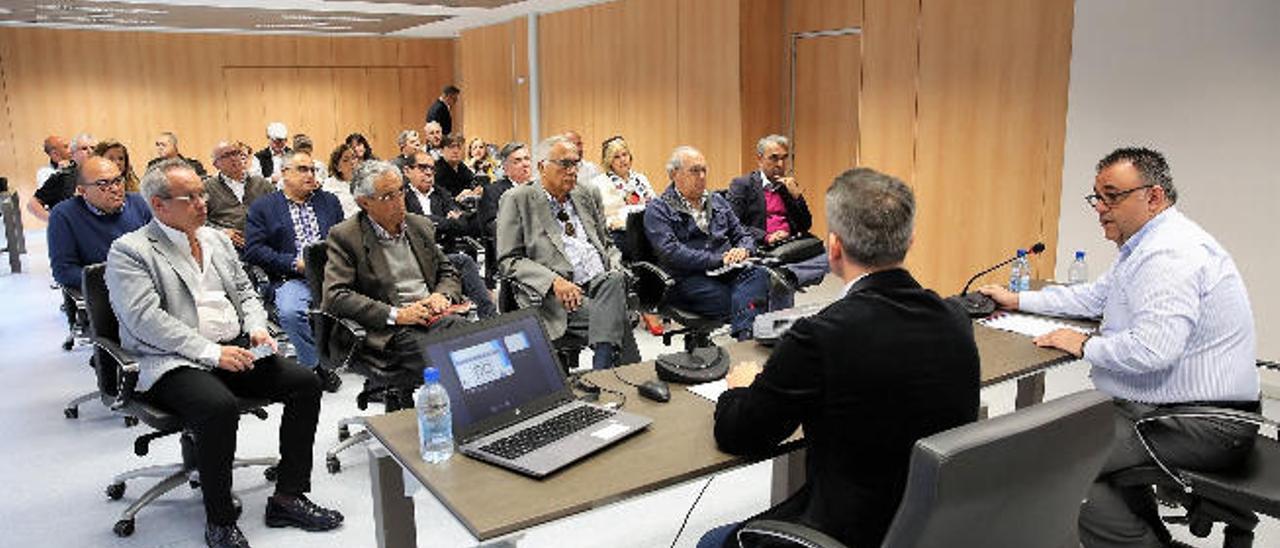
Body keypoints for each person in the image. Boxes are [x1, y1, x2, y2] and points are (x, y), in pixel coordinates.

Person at [977, 147, 1260, 548]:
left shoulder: (1170, 254)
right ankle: (1146, 537)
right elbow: (1093, 298)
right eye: (1097, 197)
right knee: (1079, 444)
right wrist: (1018, 300)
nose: (1101, 208)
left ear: (1154, 197)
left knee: (1048, 462)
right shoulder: (1147, 246)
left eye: (1113, 196)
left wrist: (1083, 343)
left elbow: (1152, 351)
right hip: (1173, 412)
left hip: (1199, 425)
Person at [698, 167, 980, 548]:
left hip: (846, 531)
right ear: (910, 240)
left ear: (833, 247)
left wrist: (740, 389)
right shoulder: (956, 319)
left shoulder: (819, 335)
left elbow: (740, 435)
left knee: (712, 541)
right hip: (926, 526)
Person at [106, 158, 343, 548]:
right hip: (172, 358)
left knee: (304, 382)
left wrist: (256, 326)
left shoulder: (215, 239)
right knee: (217, 406)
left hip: (233, 347)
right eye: (191, 197)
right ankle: (219, 519)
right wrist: (211, 353)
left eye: (203, 193)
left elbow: (246, 291)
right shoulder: (130, 251)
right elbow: (145, 320)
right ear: (159, 204)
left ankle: (288, 496)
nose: (203, 203)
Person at [496, 135, 631, 370]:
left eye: (575, 163)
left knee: (615, 281)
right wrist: (553, 281)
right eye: (564, 164)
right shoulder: (518, 199)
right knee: (616, 317)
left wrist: (615, 265)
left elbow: (606, 244)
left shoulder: (586, 193)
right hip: (559, 296)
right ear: (542, 167)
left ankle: (604, 375)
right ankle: (608, 376)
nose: (572, 171)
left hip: (601, 284)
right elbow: (509, 260)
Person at [321, 160, 465, 373]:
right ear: (364, 203)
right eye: (388, 197)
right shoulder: (346, 236)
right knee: (452, 358)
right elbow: (335, 295)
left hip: (433, 318)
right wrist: (396, 314)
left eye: (401, 191)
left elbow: (447, 270)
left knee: (479, 341)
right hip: (391, 331)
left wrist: (442, 295)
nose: (400, 201)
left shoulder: (419, 225)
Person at [643, 146, 770, 341]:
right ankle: (746, 341)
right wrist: (719, 259)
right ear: (674, 174)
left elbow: (742, 234)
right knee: (744, 300)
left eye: (704, 170)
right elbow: (672, 252)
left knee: (762, 274)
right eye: (695, 171)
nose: (702, 176)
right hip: (688, 277)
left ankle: (745, 336)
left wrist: (744, 249)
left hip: (727, 270)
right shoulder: (658, 209)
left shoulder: (717, 200)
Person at [243, 152, 345, 390]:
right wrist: (293, 263)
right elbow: (254, 251)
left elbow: (344, 239)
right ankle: (315, 366)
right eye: (302, 169)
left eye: (312, 169)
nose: (310, 174)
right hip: (292, 277)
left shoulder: (329, 201)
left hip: (334, 274)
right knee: (290, 312)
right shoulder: (264, 207)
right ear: (284, 173)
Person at [727, 134, 828, 307]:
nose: (780, 165)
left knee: (830, 256)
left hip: (789, 244)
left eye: (783, 159)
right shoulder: (743, 185)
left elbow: (805, 225)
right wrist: (767, 236)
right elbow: (734, 224)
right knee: (780, 279)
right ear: (759, 158)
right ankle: (785, 277)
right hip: (763, 247)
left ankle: (786, 274)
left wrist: (797, 196)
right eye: (774, 158)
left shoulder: (786, 186)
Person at [402, 151, 495, 319]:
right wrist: (444, 222)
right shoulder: (401, 195)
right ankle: (489, 317)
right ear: (407, 171)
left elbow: (462, 225)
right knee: (464, 262)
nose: (429, 172)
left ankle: (490, 319)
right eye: (422, 167)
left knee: (463, 264)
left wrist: (430, 222)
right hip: (416, 257)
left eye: (432, 168)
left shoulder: (441, 193)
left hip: (445, 254)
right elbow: (408, 224)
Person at [47, 155, 152, 291]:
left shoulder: (140, 203)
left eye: (118, 181)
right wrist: (115, 279)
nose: (115, 189)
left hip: (148, 284)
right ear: (82, 191)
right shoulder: (64, 215)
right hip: (103, 293)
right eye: (103, 184)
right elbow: (64, 271)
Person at [590, 135, 656, 251]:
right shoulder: (598, 183)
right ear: (609, 161)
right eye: (616, 157)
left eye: (624, 155)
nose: (622, 160)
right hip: (619, 234)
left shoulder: (640, 179)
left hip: (646, 228)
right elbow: (597, 217)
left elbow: (654, 204)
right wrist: (612, 223)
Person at [204, 142, 274, 249]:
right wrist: (221, 232)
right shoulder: (207, 188)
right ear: (216, 164)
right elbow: (198, 221)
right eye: (226, 156)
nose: (233, 158)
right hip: (226, 247)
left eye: (236, 153)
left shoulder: (262, 183)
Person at [30, 133, 95, 221]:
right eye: (84, 148)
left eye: (93, 148)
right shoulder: (62, 175)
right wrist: (55, 221)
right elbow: (33, 204)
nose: (90, 151)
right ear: (73, 153)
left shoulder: (104, 172)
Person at [434, 133, 482, 205]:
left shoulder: (461, 166)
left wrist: (476, 190)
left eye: (459, 147)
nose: (456, 151)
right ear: (442, 150)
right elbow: (438, 200)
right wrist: (457, 198)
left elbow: (473, 182)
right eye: (451, 147)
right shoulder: (436, 170)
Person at [322, 144, 359, 218]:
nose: (352, 162)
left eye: (354, 158)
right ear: (338, 167)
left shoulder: (362, 181)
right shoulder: (329, 187)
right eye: (346, 160)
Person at [564, 130, 602, 198]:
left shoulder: (592, 169)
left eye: (579, 144)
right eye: (573, 144)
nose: (578, 148)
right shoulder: (558, 170)